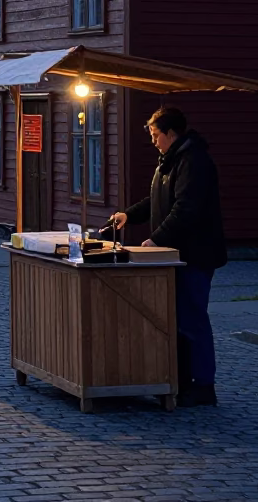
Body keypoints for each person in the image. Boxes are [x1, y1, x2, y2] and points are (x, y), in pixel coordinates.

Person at [110, 107, 227, 408]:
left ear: (170, 133)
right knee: (176, 321)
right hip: (175, 255)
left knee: (192, 321)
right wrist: (129, 214)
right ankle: (182, 380)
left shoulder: (194, 161)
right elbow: (159, 200)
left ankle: (203, 386)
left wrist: (156, 239)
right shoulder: (171, 160)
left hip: (194, 255)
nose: (153, 141)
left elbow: (185, 209)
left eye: (155, 135)